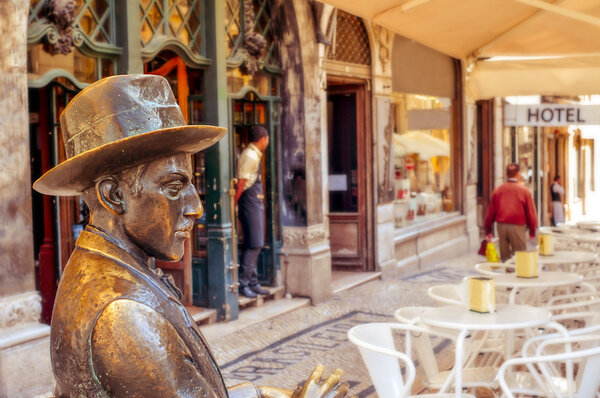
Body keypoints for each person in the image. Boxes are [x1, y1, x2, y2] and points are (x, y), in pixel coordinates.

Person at [33, 75, 350, 398]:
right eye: (174, 186)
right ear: (114, 195)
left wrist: (262, 393)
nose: (196, 207)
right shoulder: (126, 317)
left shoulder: (106, 265)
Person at [235, 126, 270, 298]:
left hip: (254, 201)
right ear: (263, 139)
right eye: (267, 139)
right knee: (255, 243)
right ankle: (244, 283)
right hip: (249, 201)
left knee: (254, 242)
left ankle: (253, 282)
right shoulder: (249, 155)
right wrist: (234, 202)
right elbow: (241, 182)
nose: (268, 142)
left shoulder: (254, 154)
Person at [484, 163, 538, 262]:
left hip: (501, 226)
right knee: (520, 256)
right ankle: (518, 274)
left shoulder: (498, 190)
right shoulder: (524, 191)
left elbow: (490, 212)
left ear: (506, 174)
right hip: (517, 226)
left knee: (505, 257)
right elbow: (531, 213)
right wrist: (532, 230)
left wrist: (488, 230)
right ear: (519, 174)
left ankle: (507, 273)